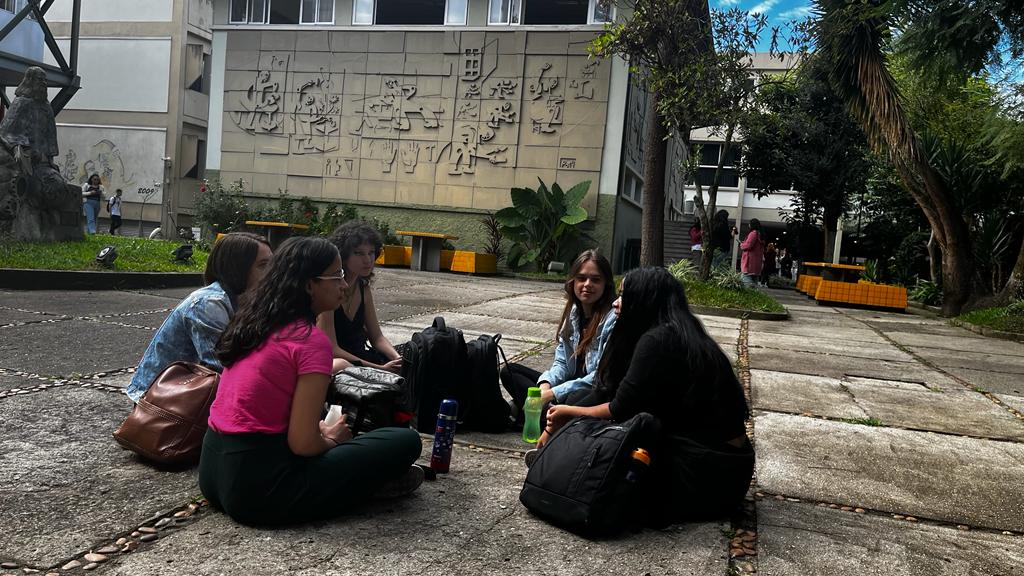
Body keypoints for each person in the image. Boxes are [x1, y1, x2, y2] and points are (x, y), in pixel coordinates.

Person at [199, 237, 423, 526]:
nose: (344, 284)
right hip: (260, 492)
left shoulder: (255, 322)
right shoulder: (309, 340)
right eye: (336, 276)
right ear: (308, 285)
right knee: (404, 440)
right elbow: (304, 444)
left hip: (213, 472)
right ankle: (366, 485)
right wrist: (329, 438)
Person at [542, 267, 754, 524]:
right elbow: (607, 388)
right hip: (728, 467)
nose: (616, 303)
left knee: (605, 486)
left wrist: (567, 415)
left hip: (708, 473)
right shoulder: (673, 331)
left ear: (645, 298)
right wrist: (561, 418)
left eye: (624, 295)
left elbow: (619, 408)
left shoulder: (660, 339)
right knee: (580, 405)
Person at [125, 232, 272, 402]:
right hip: (158, 400)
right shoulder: (207, 304)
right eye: (263, 266)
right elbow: (223, 365)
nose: (271, 273)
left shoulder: (247, 299)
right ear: (237, 269)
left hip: (191, 392)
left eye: (273, 266)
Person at [501, 249, 617, 433]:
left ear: (605, 285)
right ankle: (552, 417)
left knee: (573, 400)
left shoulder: (611, 319)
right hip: (566, 388)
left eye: (595, 279)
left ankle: (542, 415)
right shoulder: (573, 313)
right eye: (582, 278)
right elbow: (562, 362)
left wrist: (554, 393)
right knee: (509, 371)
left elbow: (599, 377)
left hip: (590, 391)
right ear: (573, 282)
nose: (587, 284)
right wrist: (545, 386)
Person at [317, 221, 402, 374]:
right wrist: (379, 368)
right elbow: (332, 348)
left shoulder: (363, 287)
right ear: (343, 255)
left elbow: (377, 337)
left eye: (371, 252)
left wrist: (397, 359)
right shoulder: (328, 289)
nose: (368, 260)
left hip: (361, 358)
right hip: (336, 363)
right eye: (359, 253)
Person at [740, 218, 765, 287]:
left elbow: (748, 245)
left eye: (749, 223)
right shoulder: (760, 235)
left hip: (749, 263)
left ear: (751, 225)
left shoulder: (753, 233)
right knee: (754, 283)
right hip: (756, 264)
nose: (748, 225)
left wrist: (742, 245)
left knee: (746, 284)